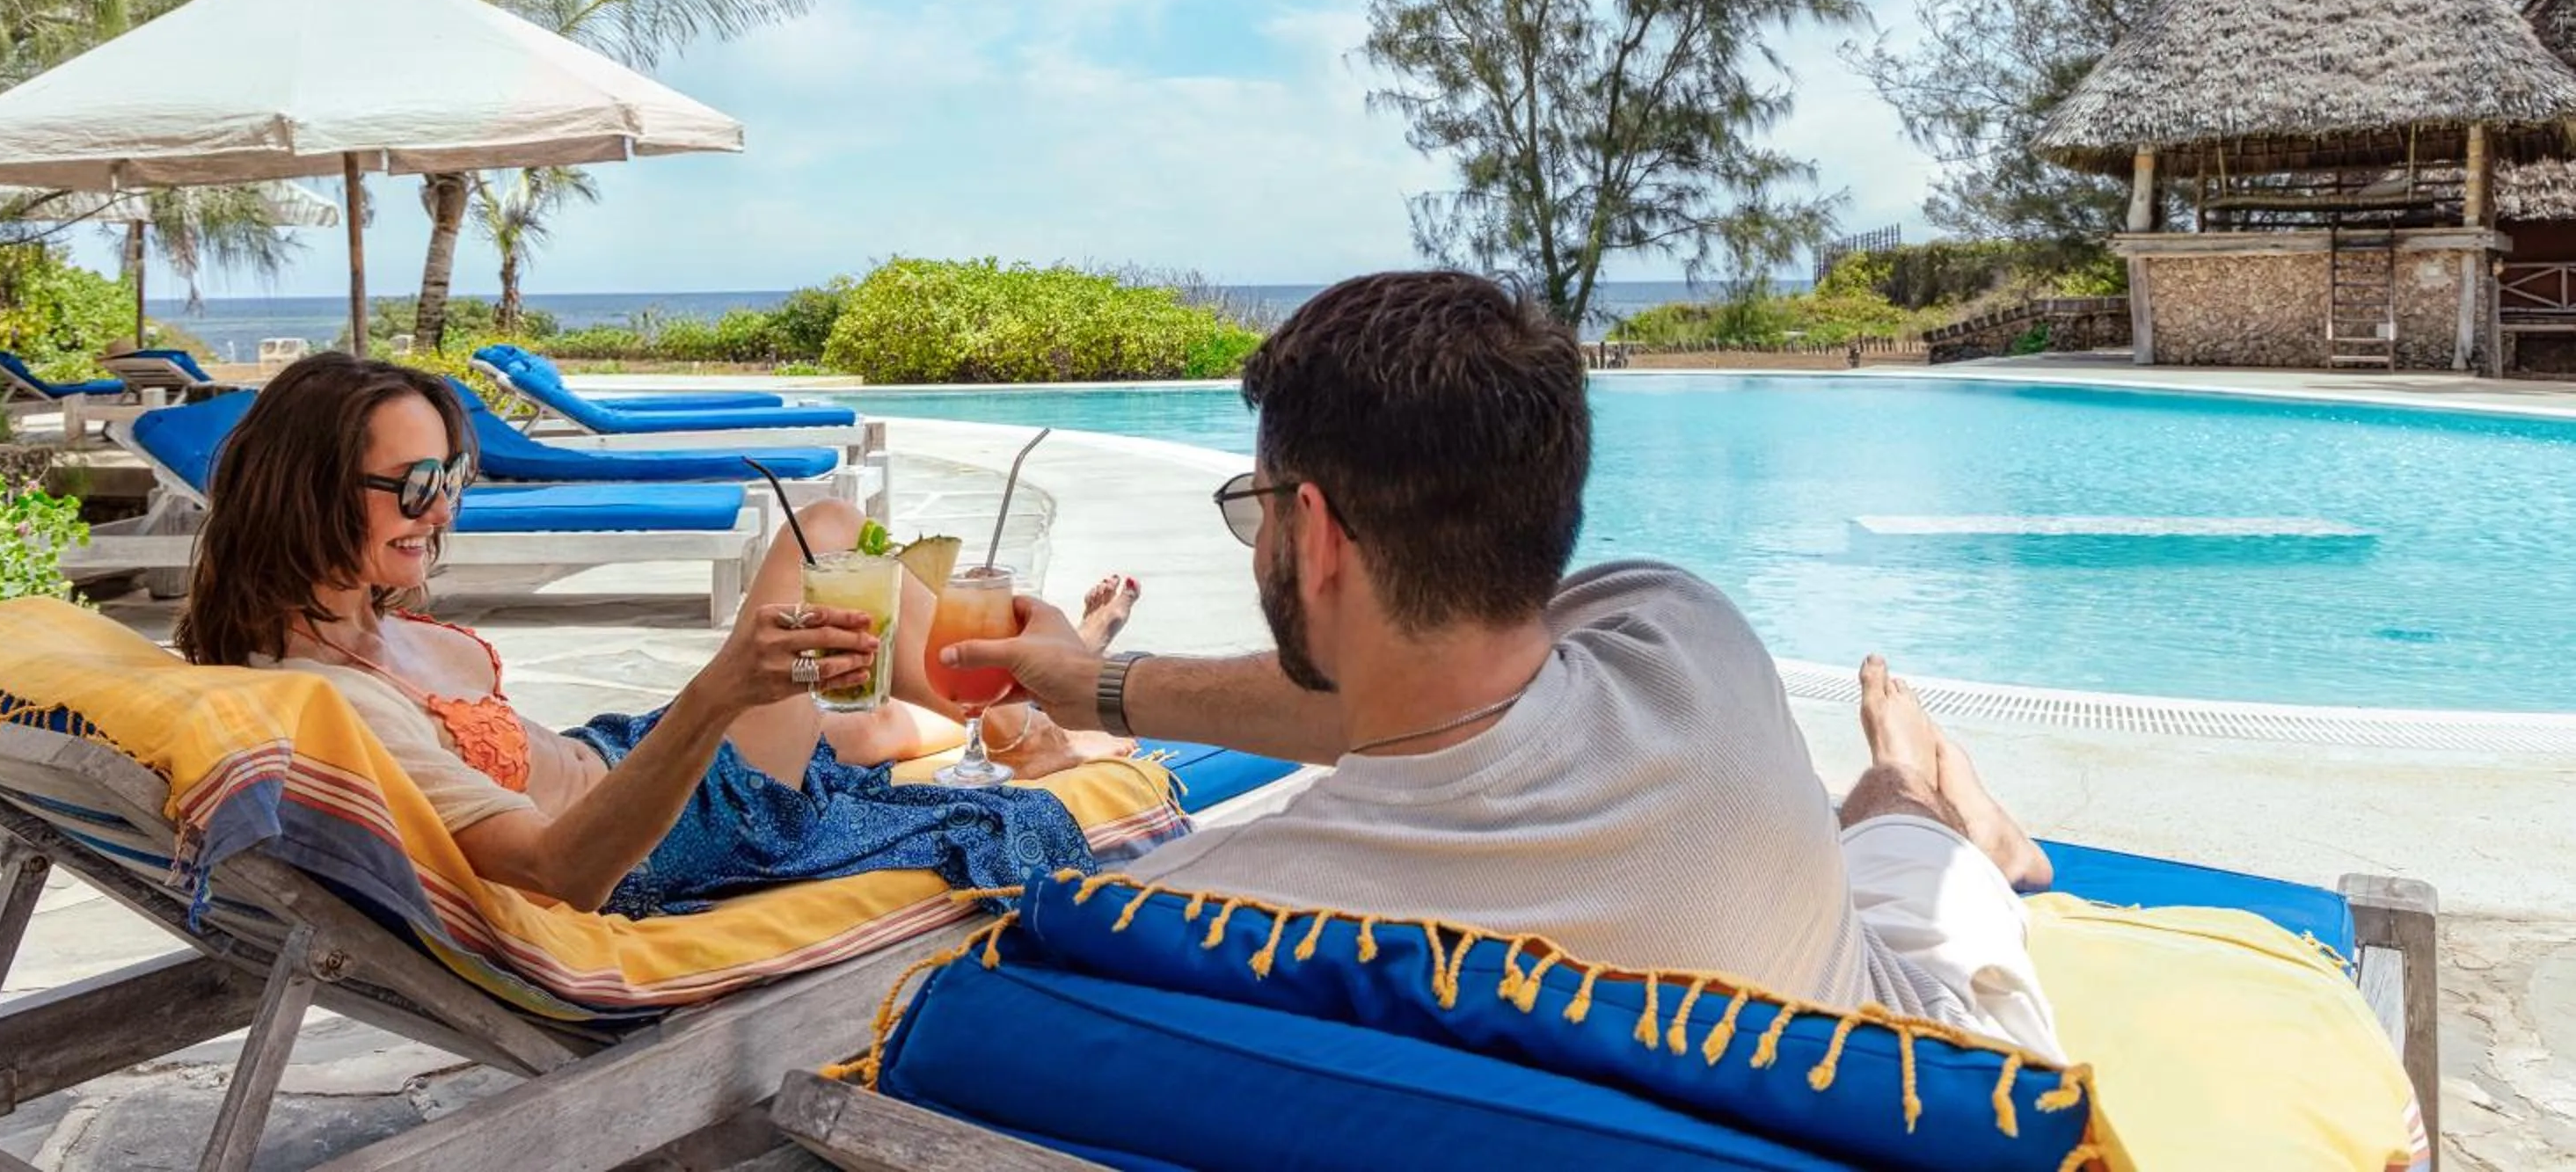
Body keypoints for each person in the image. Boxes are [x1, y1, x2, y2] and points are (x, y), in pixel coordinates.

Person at [946, 270, 2066, 1060]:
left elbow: (1389, 713)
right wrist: (1089, 680)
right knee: (1874, 812)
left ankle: (1939, 799)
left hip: (1915, 1002)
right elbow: (1442, 698)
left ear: (1320, 534)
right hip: (1899, 1034)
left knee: (1895, 808)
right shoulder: (1687, 630)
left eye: (1260, 509)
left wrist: (1093, 684)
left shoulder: (1207, 913)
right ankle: (1928, 792)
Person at [175, 354, 1140, 917]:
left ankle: (1025, 718)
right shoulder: (336, 702)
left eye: (452, 480)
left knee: (856, 716)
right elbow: (563, 873)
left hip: (625, 761)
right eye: (417, 486)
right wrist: (722, 690)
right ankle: (1044, 712)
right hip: (670, 833)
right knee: (826, 546)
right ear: (303, 492)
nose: (443, 511)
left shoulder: (358, 641)